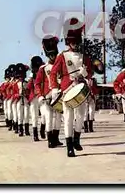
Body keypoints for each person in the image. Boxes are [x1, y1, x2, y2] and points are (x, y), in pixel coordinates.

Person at [50, 18, 94, 157]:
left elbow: (91, 73)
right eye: (72, 41)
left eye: (76, 41)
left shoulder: (83, 57)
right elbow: (53, 73)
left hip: (80, 89)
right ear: (68, 42)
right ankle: (69, 147)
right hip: (67, 91)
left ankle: (76, 139)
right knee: (68, 118)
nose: (74, 44)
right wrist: (55, 88)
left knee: (81, 116)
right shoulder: (62, 56)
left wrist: (86, 73)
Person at [35, 36, 63, 147]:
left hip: (59, 95)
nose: (52, 57)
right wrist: (40, 95)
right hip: (47, 96)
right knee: (49, 116)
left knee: (59, 117)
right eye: (50, 55)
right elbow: (37, 84)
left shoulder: (61, 66)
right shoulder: (43, 68)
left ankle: (56, 138)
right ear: (47, 55)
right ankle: (50, 140)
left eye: (54, 55)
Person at [14, 63, 30, 137]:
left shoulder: (27, 83)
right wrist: (18, 95)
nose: (21, 77)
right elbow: (13, 93)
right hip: (19, 100)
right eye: (19, 75)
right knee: (20, 115)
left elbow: (29, 92)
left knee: (26, 115)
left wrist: (26, 94)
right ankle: (21, 130)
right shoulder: (15, 84)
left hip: (26, 100)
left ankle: (27, 130)